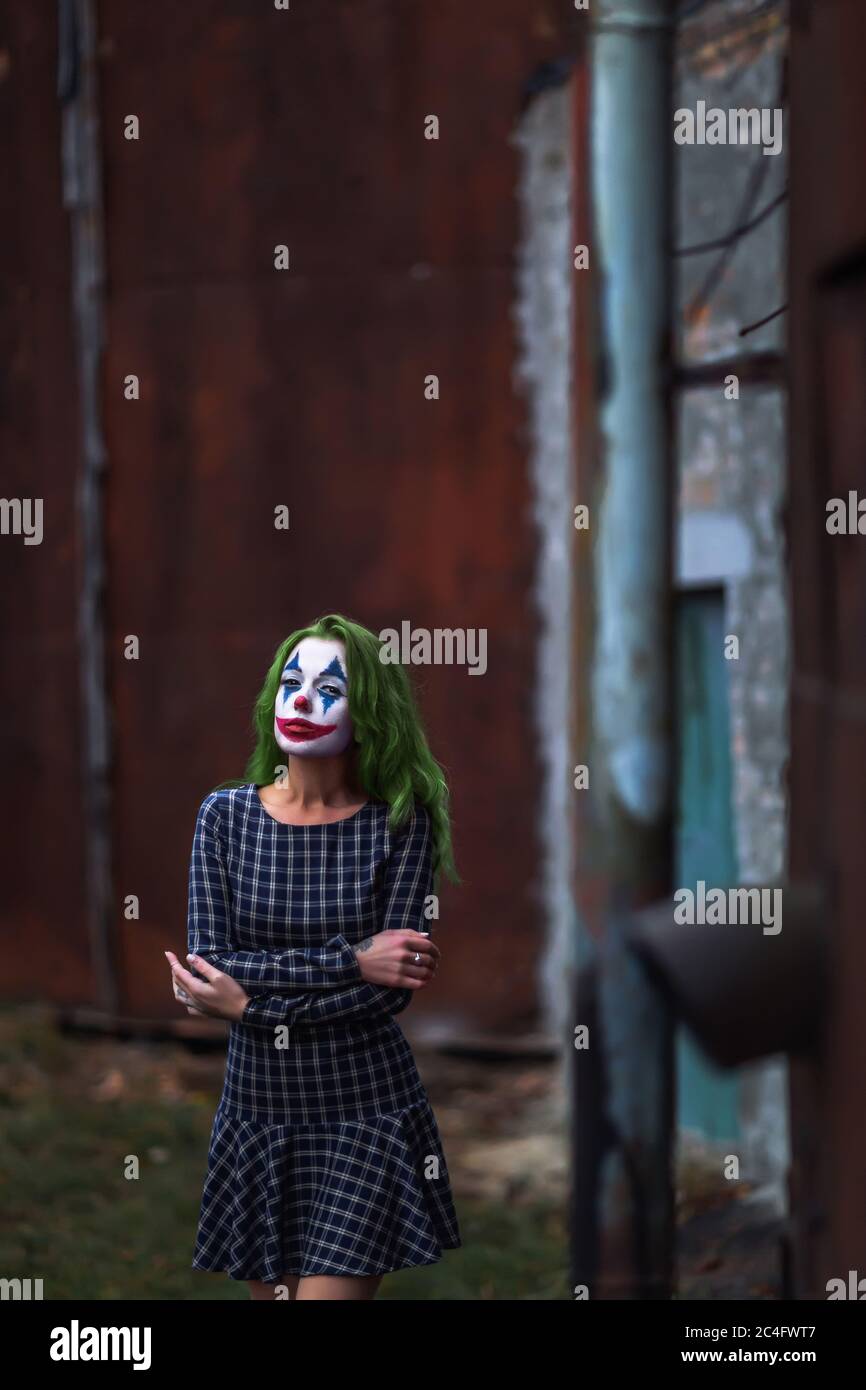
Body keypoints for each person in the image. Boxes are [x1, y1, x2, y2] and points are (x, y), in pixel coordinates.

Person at [165, 613, 461, 1300]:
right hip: (260, 1114)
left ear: (370, 715)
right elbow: (213, 963)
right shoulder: (224, 817)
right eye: (290, 682)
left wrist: (251, 1007)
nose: (301, 701)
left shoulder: (400, 820)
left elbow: (390, 993)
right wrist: (354, 960)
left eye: (330, 689)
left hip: (363, 1111)